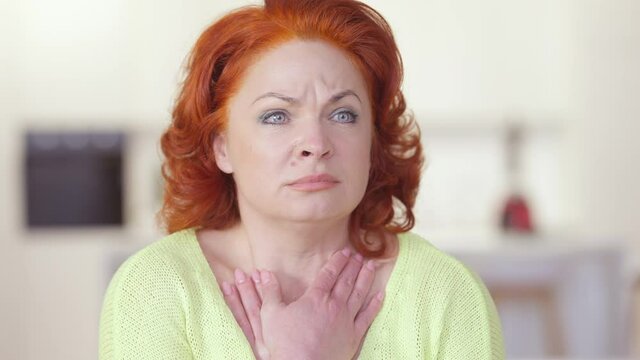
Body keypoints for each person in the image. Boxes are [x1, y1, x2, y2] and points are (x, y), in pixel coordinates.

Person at [99, 0, 505, 359]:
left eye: (343, 114)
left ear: (373, 140)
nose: (315, 143)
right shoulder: (155, 288)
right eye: (276, 115)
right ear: (221, 147)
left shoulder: (448, 294)